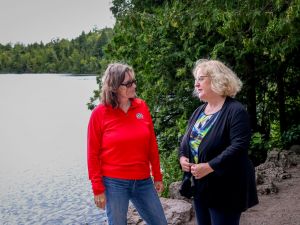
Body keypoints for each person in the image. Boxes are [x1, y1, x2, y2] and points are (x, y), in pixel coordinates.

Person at [179, 59, 258, 225]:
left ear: (216, 79)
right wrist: (182, 158)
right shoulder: (199, 111)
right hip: (201, 187)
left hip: (227, 188)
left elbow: (239, 148)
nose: (196, 84)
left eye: (201, 79)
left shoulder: (235, 111)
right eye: (195, 80)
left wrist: (209, 166)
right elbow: (187, 141)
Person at [87, 62, 167, 225]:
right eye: (128, 83)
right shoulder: (99, 113)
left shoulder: (141, 107)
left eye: (134, 81)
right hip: (114, 182)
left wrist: (157, 175)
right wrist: (98, 188)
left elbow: (151, 144)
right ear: (115, 87)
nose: (134, 85)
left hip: (143, 180)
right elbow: (92, 154)